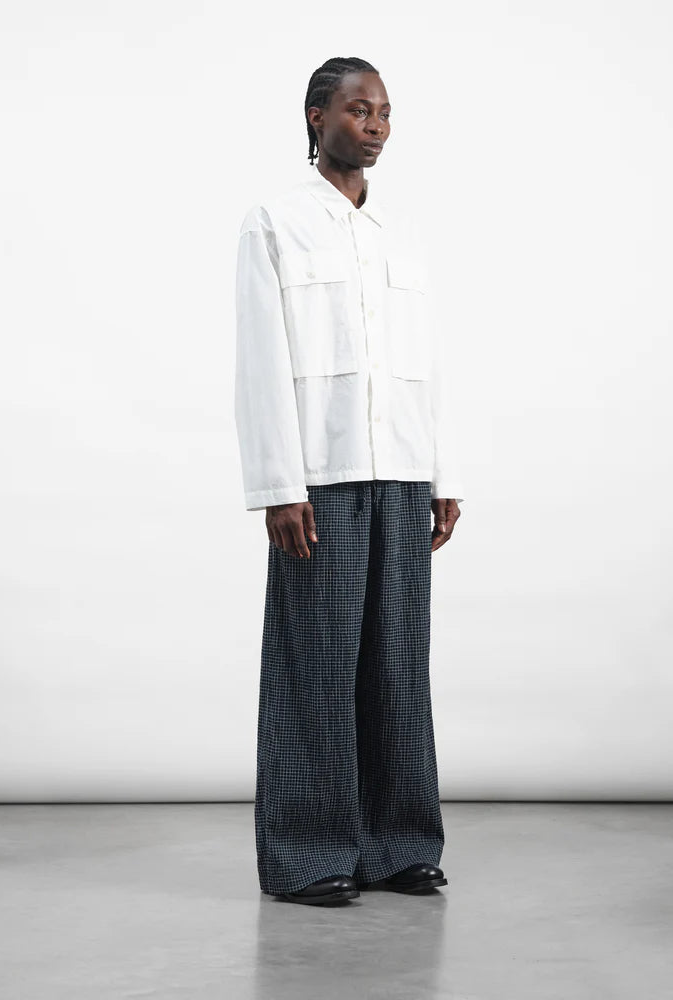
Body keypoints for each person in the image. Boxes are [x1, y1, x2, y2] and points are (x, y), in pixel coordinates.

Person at [234, 56, 465, 905]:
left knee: (398, 665)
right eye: (358, 110)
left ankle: (399, 844)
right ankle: (308, 853)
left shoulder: (401, 237)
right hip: (320, 479)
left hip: (402, 472)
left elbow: (428, 362)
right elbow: (260, 360)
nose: (375, 126)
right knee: (317, 665)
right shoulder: (275, 224)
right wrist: (278, 484)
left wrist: (443, 473)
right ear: (316, 117)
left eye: (385, 112)